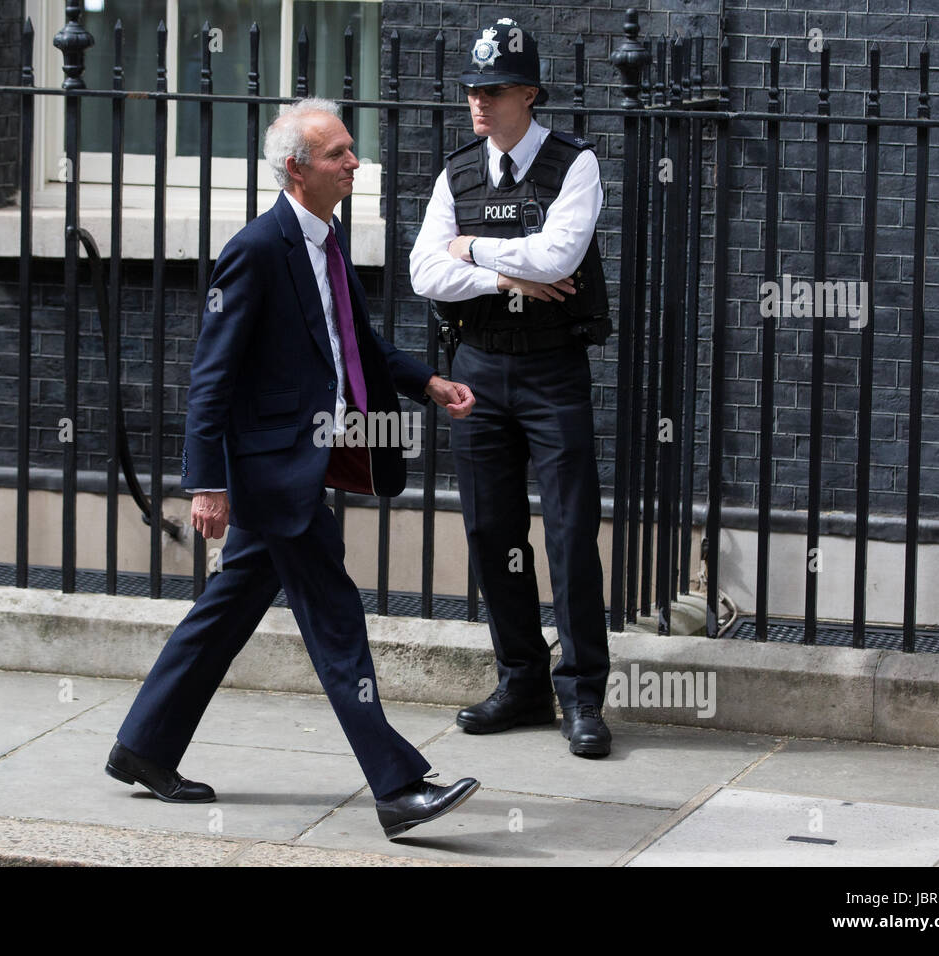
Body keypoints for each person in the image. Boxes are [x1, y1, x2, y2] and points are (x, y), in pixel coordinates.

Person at [108, 98, 481, 839]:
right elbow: (210, 377)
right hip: (274, 474)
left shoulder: (327, 238)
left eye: (351, 150)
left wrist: (426, 383)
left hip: (303, 459)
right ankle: (398, 786)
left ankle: (143, 747)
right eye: (339, 153)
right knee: (336, 620)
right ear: (297, 169)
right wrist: (206, 483)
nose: (355, 162)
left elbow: (353, 342)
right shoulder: (256, 248)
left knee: (228, 608)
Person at [408, 19, 613, 757]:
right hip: (478, 368)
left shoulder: (575, 164)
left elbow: (562, 253)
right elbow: (425, 271)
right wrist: (501, 271)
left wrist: (470, 246)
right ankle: (522, 683)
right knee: (493, 532)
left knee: (568, 533)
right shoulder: (458, 171)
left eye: (493, 90)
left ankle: (583, 696)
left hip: (553, 369)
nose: (478, 102)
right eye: (472, 89)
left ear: (528, 93)